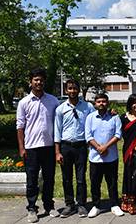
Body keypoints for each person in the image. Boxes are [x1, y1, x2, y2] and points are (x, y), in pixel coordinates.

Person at [16, 68, 60, 223]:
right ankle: (32, 208)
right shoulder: (23, 103)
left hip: (48, 146)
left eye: (41, 79)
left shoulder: (53, 101)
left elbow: (62, 119)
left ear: (44, 82)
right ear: (31, 82)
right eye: (36, 79)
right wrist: (22, 148)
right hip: (31, 147)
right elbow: (20, 127)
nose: (39, 82)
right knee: (32, 180)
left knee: (49, 179)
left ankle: (49, 206)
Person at [54, 79, 95, 218]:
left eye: (75, 88)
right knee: (66, 178)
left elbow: (96, 119)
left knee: (81, 177)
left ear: (79, 89)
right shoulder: (61, 109)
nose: (72, 91)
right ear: (66, 91)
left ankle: (82, 204)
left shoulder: (88, 107)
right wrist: (57, 152)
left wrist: (111, 113)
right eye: (69, 88)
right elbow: (57, 131)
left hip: (81, 146)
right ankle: (69, 204)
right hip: (66, 146)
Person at [85, 93, 124, 218]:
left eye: (104, 101)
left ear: (107, 103)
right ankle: (96, 205)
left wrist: (105, 147)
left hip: (111, 156)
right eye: (99, 101)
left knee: (112, 181)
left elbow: (118, 134)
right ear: (95, 104)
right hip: (95, 157)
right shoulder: (90, 117)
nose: (101, 103)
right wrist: (99, 148)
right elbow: (88, 136)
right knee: (95, 182)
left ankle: (114, 204)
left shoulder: (115, 117)